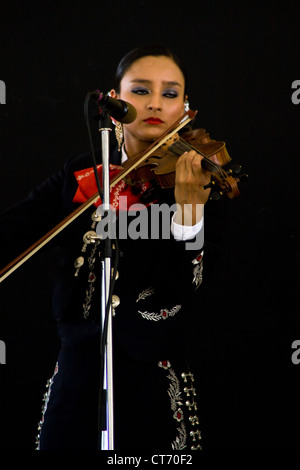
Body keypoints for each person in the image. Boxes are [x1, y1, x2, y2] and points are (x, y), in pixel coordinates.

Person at [0, 45, 225, 451]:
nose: (155, 103)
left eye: (170, 94)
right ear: (115, 100)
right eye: (140, 91)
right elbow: (13, 229)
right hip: (78, 370)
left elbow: (183, 289)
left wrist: (189, 215)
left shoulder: (196, 179)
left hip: (151, 375)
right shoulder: (82, 172)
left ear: (185, 106)